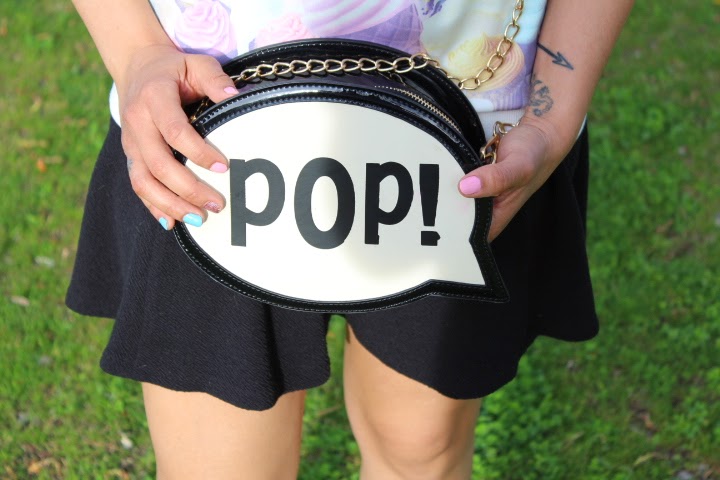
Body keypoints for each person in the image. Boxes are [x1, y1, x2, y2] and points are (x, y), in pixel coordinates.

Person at [66, 1, 634, 478]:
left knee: (420, 451)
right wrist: (137, 51)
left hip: (469, 137)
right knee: (218, 464)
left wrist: (553, 116)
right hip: (207, 125)